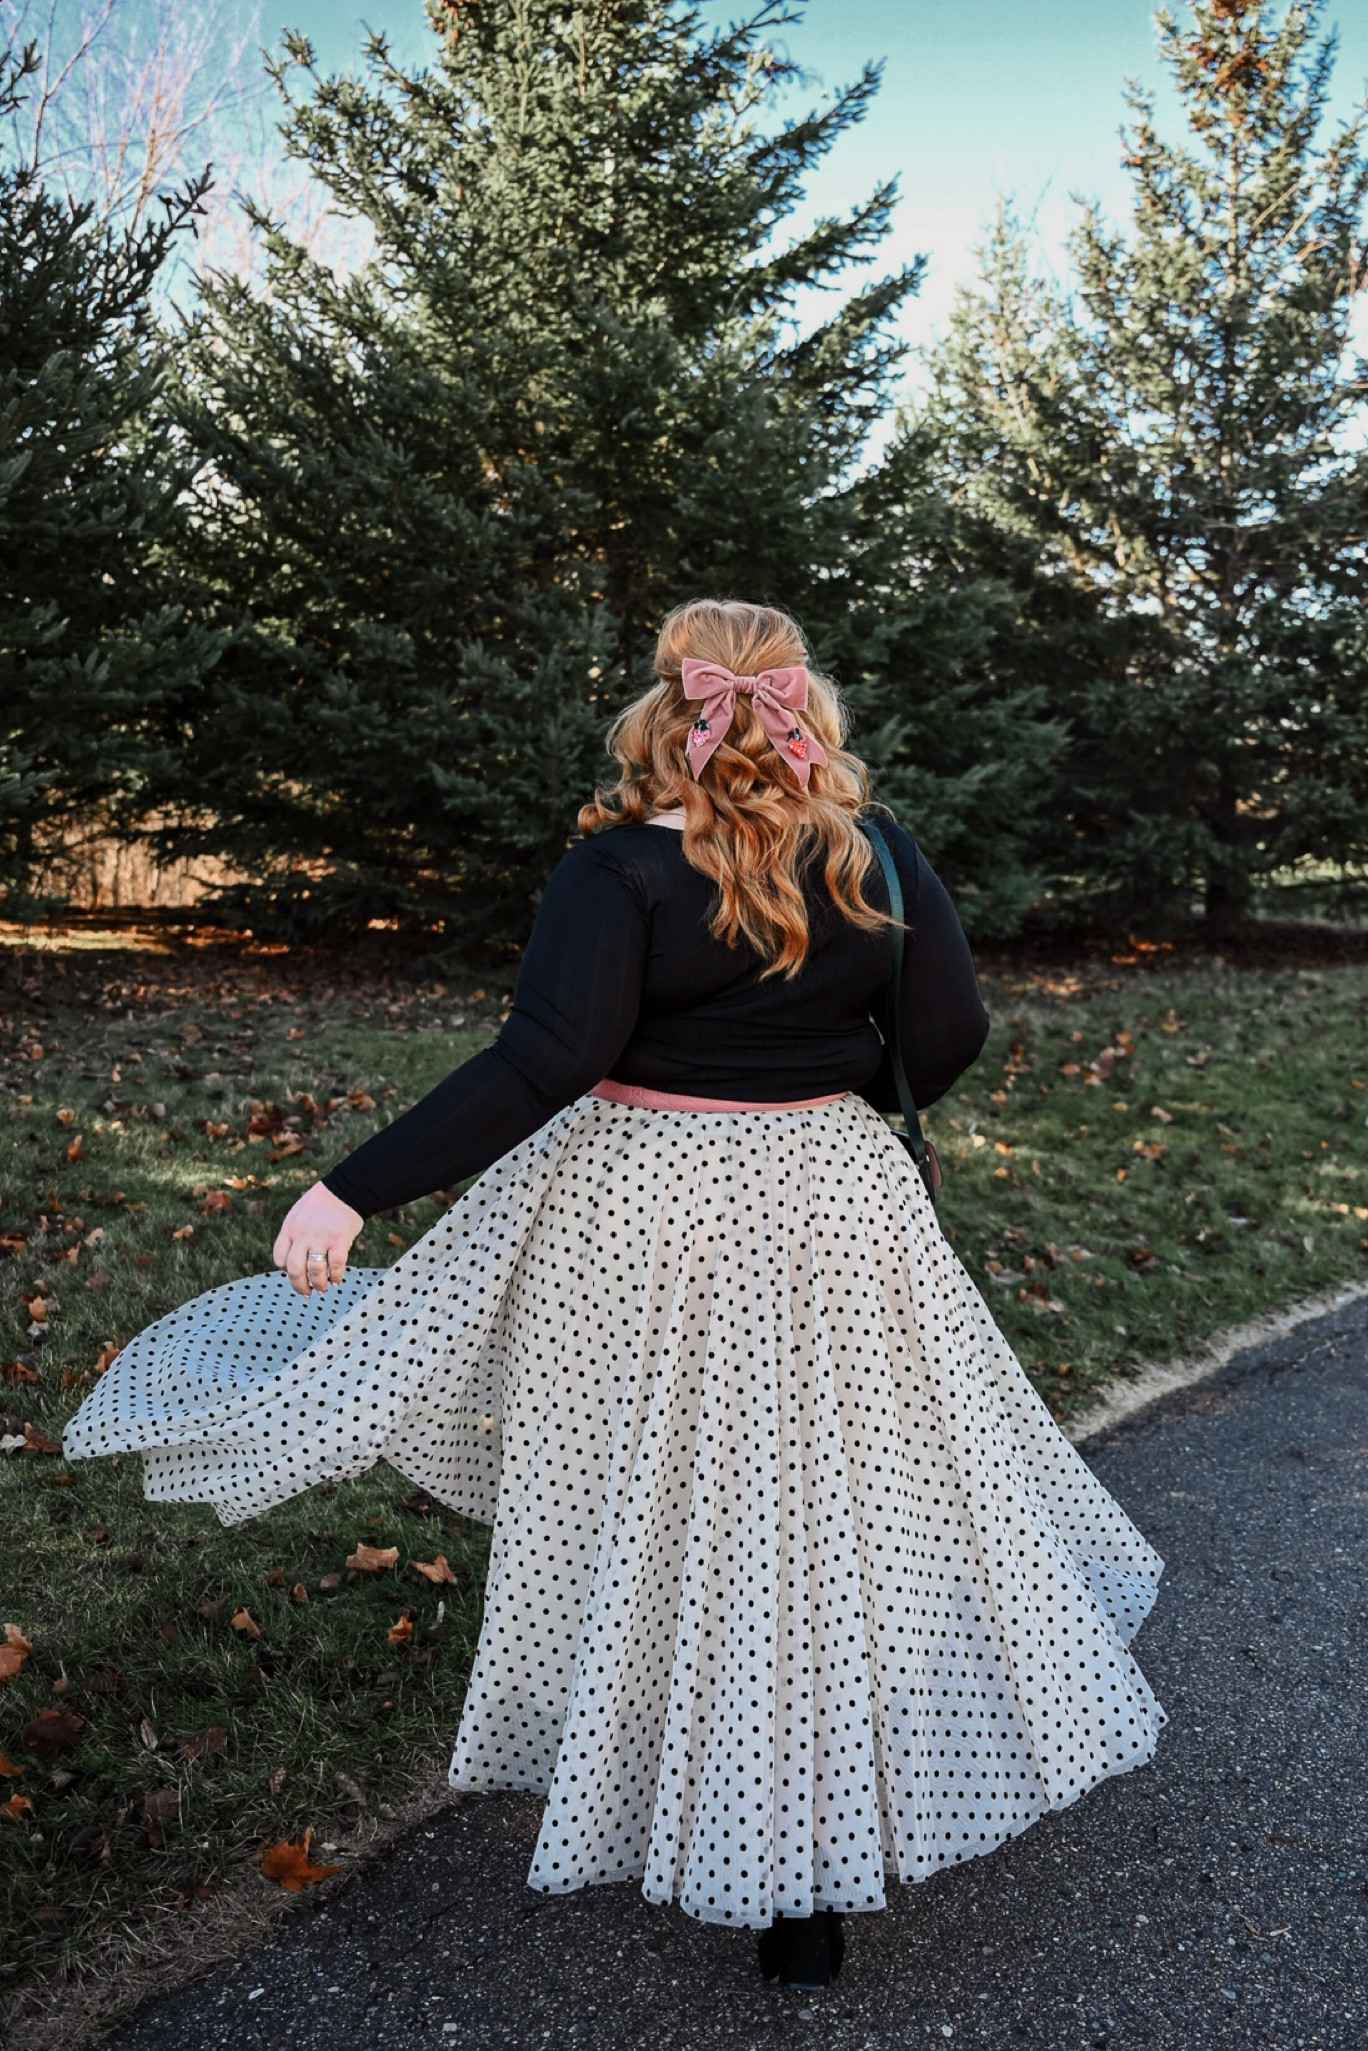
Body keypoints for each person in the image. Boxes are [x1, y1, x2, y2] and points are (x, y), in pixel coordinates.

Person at [65, 598, 1167, 1993]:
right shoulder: (878, 851)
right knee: (831, 1513)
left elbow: (547, 1060)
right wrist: (826, 1094)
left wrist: (351, 1188)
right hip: (839, 1204)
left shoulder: (617, 872)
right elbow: (946, 1035)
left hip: (646, 1215)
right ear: (799, 703)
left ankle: (705, 1790)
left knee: (672, 1505)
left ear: (669, 705)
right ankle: (808, 1885)